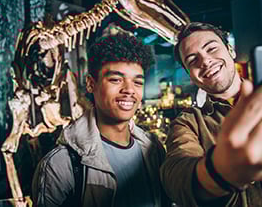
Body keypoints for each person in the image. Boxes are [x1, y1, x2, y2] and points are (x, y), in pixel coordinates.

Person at [32, 28, 171, 207]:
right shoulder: (60, 165)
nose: (129, 90)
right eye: (116, 80)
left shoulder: (154, 150)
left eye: (137, 82)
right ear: (91, 84)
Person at [160, 21, 262, 206]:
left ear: (231, 50)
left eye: (211, 49)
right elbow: (176, 176)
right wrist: (220, 172)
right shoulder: (188, 123)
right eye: (192, 60)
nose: (205, 61)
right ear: (190, 75)